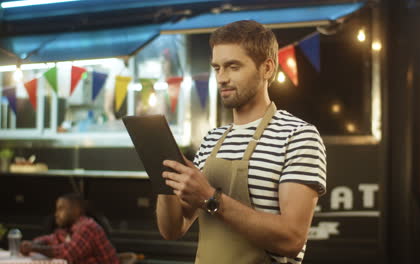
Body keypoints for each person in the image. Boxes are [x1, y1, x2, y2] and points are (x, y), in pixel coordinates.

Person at [156, 20, 326, 264]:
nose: (222, 78)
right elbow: (172, 230)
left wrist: (210, 199)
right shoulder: (212, 139)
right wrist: (164, 179)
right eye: (217, 68)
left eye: (233, 67)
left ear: (267, 68)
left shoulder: (298, 136)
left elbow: (292, 239)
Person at [20, 193, 120, 264]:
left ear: (76, 210)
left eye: (61, 209)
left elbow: (67, 253)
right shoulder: (68, 228)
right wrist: (34, 244)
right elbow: (50, 239)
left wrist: (34, 248)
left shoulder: (87, 227)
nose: (56, 214)